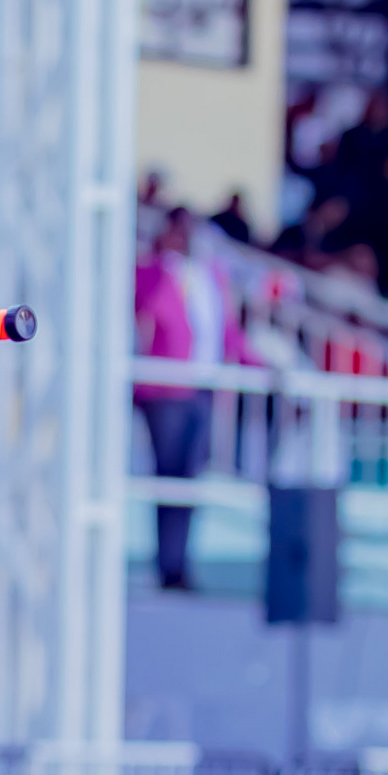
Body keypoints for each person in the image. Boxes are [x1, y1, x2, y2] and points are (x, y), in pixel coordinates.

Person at [134, 207, 207, 592]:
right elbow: (146, 312)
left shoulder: (207, 276)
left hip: (202, 388)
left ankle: (180, 562)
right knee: (170, 477)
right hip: (166, 390)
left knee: (189, 481)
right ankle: (169, 565)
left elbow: (224, 330)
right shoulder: (152, 273)